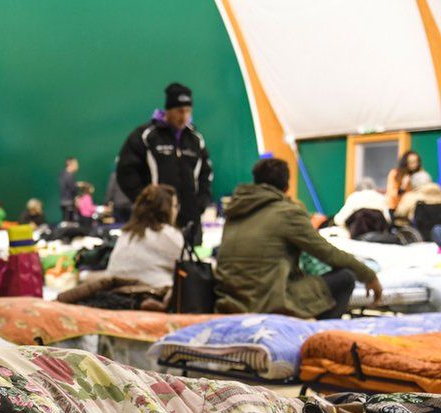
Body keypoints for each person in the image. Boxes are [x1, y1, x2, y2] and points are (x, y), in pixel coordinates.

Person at [215, 159, 382, 320]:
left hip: (229, 300)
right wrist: (368, 275)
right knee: (345, 278)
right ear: (287, 187)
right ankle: (318, 338)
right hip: (263, 302)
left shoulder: (236, 211)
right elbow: (328, 253)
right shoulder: (287, 213)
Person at [116, 83, 212, 245]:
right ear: (168, 110)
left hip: (190, 222)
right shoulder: (146, 136)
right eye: (179, 111)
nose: (184, 116)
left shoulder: (195, 139)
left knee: (190, 268)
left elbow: (206, 174)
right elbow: (126, 171)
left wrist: (200, 204)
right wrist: (146, 203)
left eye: (188, 111)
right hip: (155, 222)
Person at [106, 184, 183, 289]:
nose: (176, 211)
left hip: (114, 293)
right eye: (174, 206)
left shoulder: (126, 234)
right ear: (165, 209)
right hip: (152, 294)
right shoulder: (168, 234)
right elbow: (186, 267)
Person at [58, 157, 78, 221]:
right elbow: (72, 189)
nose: (77, 166)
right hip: (69, 203)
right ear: (70, 164)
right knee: (69, 224)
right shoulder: (68, 175)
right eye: (76, 164)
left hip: (64, 202)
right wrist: (77, 198)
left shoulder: (63, 174)